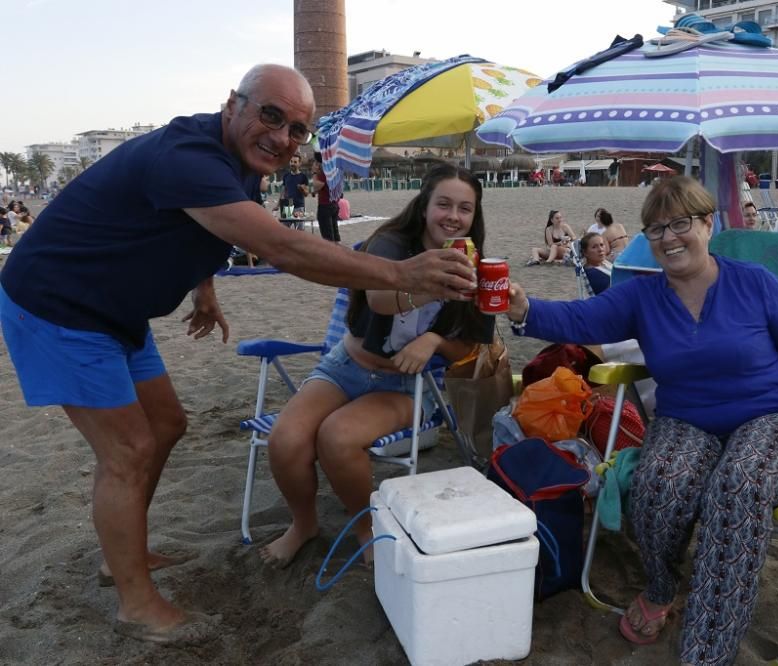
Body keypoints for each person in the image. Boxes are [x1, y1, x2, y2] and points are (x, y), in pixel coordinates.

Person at [0, 64, 476, 645]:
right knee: (127, 449)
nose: (282, 137)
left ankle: (123, 553)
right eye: (270, 115)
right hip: (60, 305)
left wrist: (204, 286)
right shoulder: (187, 155)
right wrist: (401, 272)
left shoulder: (243, 164)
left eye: (298, 129)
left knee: (168, 423)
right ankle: (135, 603)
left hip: (116, 311)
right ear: (233, 105)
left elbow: (211, 228)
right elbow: (279, 246)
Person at [506, 176, 778, 664]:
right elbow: (582, 320)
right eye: (655, 229)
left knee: (738, 484)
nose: (669, 238)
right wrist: (522, 307)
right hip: (687, 417)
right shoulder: (642, 296)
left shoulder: (752, 282)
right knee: (659, 482)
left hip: (772, 415)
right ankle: (664, 584)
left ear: (708, 224)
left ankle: (707, 651)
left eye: (680, 224)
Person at [262, 164, 494, 568]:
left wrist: (434, 339)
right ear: (424, 206)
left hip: (402, 385)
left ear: (474, 216)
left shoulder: (476, 267)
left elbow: (472, 349)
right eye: (443, 204)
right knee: (286, 438)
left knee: (337, 436)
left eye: (464, 208)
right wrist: (428, 290)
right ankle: (304, 525)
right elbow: (378, 300)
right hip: (345, 366)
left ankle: (365, 527)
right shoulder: (390, 243)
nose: (453, 216)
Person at [311, 152, 339, 242]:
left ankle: (333, 255)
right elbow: (320, 188)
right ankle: (338, 253)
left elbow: (317, 185)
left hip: (325, 206)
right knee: (334, 234)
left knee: (328, 238)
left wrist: (314, 173)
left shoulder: (325, 170)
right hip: (334, 204)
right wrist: (314, 191)